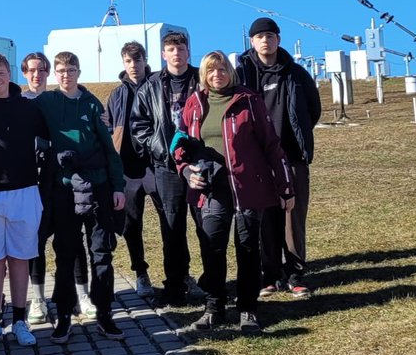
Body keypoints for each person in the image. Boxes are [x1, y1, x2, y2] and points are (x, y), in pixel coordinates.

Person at [174, 50, 294, 334]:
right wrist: (187, 171)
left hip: (247, 188)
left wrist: (286, 186)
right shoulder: (194, 103)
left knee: (248, 248)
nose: (217, 75)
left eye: (222, 69)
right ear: (204, 75)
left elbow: (271, 145)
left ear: (230, 72)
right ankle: (214, 308)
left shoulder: (249, 100)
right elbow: (181, 144)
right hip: (211, 189)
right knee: (212, 247)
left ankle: (247, 309)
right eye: (211, 70)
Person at [35, 52, 125, 343]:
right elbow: (17, 106)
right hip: (64, 189)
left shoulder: (92, 104)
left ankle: (104, 313)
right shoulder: (47, 101)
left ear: (78, 72)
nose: (66, 75)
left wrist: (118, 186)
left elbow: (110, 149)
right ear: (55, 73)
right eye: (61, 70)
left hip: (98, 186)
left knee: (101, 252)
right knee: (65, 252)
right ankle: (63, 314)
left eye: (71, 70)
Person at [0, 52, 49, 350]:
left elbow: (54, 129)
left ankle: (19, 321)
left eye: (0, 73)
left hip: (25, 192)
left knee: (19, 258)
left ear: (9, 73)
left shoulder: (28, 107)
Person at [238, 17, 321, 298]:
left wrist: (298, 136)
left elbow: (313, 109)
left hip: (292, 157)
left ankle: (295, 275)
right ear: (252, 41)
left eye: (270, 36)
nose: (266, 40)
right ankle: (270, 276)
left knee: (293, 219)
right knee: (265, 219)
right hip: (258, 160)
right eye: (260, 36)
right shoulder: (242, 75)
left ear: (278, 40)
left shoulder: (296, 74)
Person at [130, 31, 200, 307]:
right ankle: (175, 285)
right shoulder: (151, 85)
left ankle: (211, 283)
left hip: (200, 164)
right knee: (172, 227)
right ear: (163, 54)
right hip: (167, 167)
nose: (176, 54)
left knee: (206, 224)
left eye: (181, 48)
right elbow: (139, 125)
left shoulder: (201, 79)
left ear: (188, 52)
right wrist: (160, 149)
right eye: (171, 49)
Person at [102, 41, 155, 297]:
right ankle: (140, 273)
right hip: (127, 168)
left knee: (171, 220)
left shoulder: (157, 85)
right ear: (124, 63)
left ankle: (180, 274)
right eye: (128, 61)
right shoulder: (117, 94)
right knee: (131, 224)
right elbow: (108, 127)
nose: (133, 65)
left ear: (145, 60)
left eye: (137, 60)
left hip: (155, 165)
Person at [20, 52, 53, 323]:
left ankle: (76, 293)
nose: (36, 75)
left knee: (69, 240)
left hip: (57, 179)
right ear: (24, 73)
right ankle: (38, 298)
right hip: (28, 182)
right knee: (35, 242)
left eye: (41, 70)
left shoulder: (56, 100)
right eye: (31, 70)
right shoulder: (18, 102)